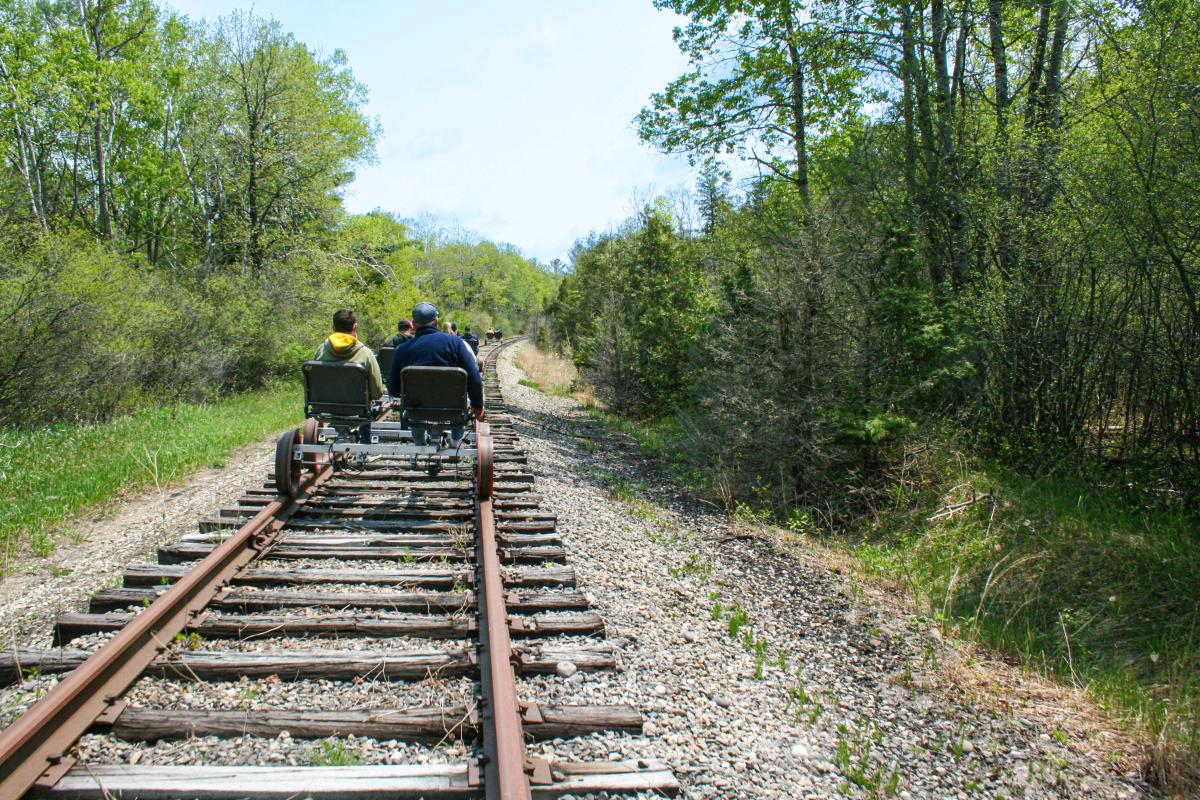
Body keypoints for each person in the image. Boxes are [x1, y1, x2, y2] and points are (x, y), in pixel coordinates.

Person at [389, 302, 484, 448]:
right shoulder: (456, 343)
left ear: (413, 325)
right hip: (452, 411)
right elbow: (475, 380)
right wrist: (478, 405)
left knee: (412, 403)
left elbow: (394, 390)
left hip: (417, 411)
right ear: (436, 321)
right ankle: (456, 441)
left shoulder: (401, 350)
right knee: (459, 401)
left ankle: (419, 441)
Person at [314, 308, 385, 401]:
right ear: (354, 326)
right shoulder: (366, 353)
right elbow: (378, 392)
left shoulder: (320, 350)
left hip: (323, 406)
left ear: (333, 328)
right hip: (357, 410)